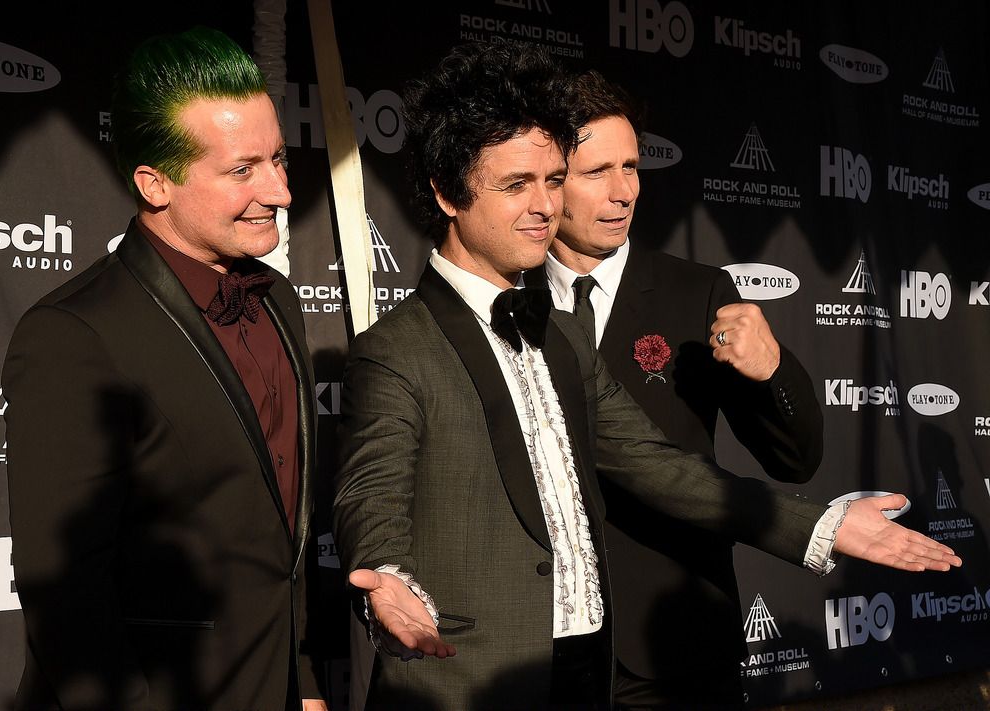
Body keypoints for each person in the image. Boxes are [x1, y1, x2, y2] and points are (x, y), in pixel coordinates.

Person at [330, 41, 960, 711]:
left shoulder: (563, 330)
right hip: (472, 681)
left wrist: (821, 527)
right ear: (446, 193)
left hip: (596, 669)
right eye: (519, 184)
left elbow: (663, 466)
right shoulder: (395, 349)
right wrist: (388, 577)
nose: (545, 204)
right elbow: (371, 490)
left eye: (551, 179)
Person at [2, 27, 327, 711]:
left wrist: (305, 681)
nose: (280, 191)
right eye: (242, 170)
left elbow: (276, 543)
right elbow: (66, 596)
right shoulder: (75, 334)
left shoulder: (282, 304)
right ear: (155, 182)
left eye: (278, 158)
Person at [532, 69, 823, 709]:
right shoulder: (505, 296)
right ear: (549, 183)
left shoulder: (699, 294)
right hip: (541, 646)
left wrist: (776, 370)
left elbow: (794, 460)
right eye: (595, 171)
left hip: (675, 642)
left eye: (632, 167)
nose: (623, 192)